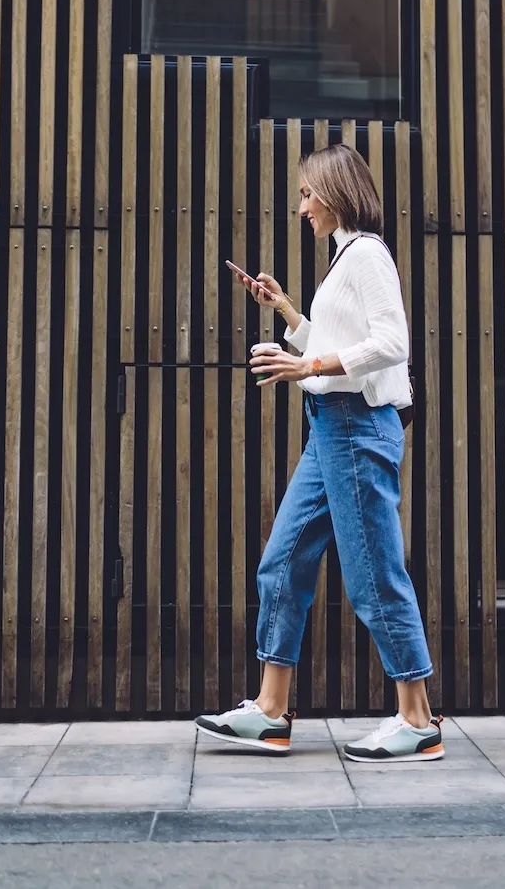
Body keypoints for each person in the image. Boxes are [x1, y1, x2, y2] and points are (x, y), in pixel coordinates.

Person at [194, 143, 443, 763]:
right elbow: (335, 346)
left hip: (358, 429)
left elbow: (391, 343)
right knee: (282, 563)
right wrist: (284, 311)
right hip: (330, 428)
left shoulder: (367, 254)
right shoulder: (342, 261)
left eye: (308, 193)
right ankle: (270, 713)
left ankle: (418, 721)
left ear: (335, 190)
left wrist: (307, 362)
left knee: (373, 576)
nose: (302, 206)